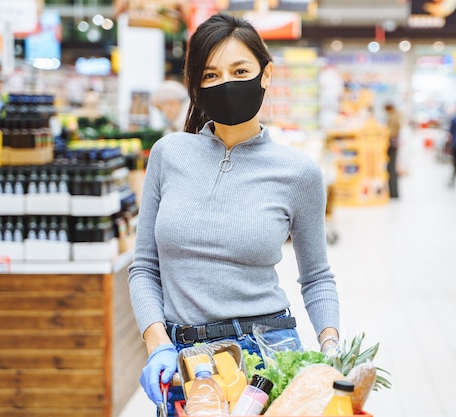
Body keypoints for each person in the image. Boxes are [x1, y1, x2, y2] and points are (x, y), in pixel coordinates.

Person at [127, 12, 340, 415]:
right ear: (197, 86)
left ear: (266, 74)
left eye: (239, 70)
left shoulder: (298, 172)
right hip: (185, 361)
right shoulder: (169, 154)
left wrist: (331, 347)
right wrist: (157, 343)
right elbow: (144, 267)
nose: (225, 83)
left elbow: (316, 276)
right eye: (210, 75)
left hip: (269, 355)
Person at [384, 103, 401, 198]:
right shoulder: (396, 116)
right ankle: (393, 192)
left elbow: (391, 132)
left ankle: (393, 192)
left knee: (391, 169)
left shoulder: (392, 118)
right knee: (391, 168)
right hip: (393, 145)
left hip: (391, 145)